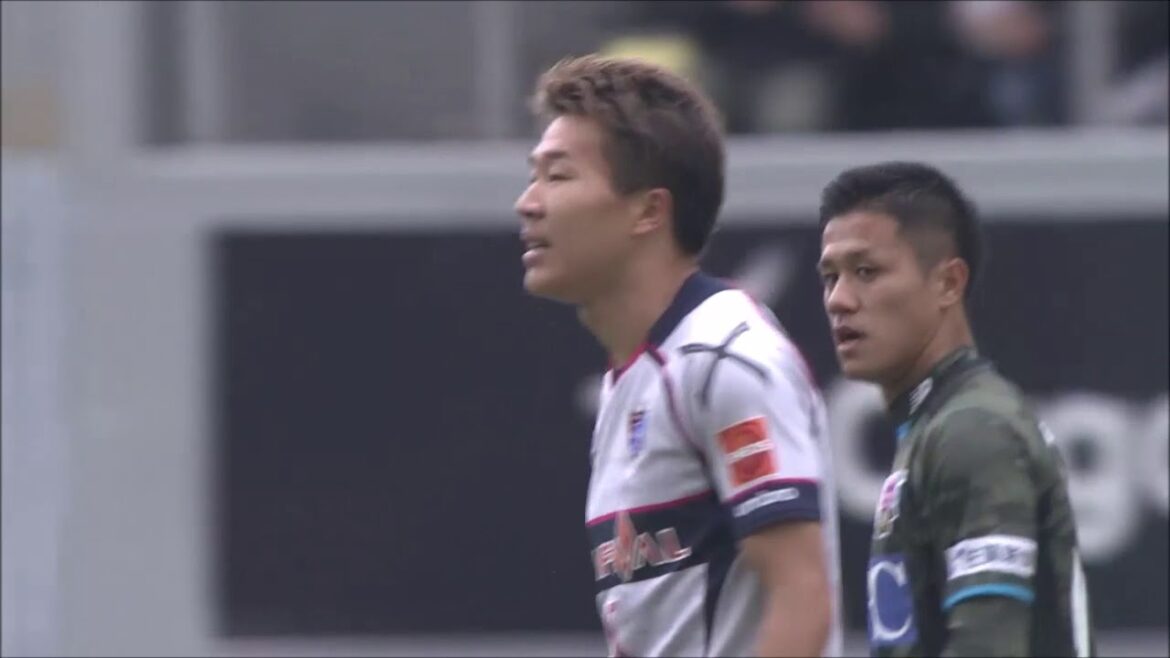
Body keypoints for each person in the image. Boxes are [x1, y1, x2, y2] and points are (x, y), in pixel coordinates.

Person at [515, 54, 841, 657]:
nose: (527, 203)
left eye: (557, 177)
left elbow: (803, 599)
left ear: (648, 211)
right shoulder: (629, 383)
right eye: (533, 175)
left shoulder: (723, 360)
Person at [816, 161, 1095, 656]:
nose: (839, 300)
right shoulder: (934, 426)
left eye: (865, 271)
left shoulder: (972, 430)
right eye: (830, 277)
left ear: (948, 283)